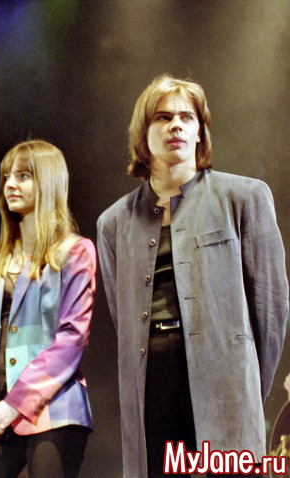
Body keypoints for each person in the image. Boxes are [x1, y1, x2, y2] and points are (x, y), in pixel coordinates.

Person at [97, 74, 288, 477]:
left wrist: (246, 387)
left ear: (200, 131)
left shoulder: (244, 197)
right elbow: (121, 316)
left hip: (225, 385)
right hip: (151, 387)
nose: (176, 126)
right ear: (143, 132)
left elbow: (271, 310)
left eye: (187, 117)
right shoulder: (113, 223)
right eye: (163, 117)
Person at [0, 140, 94, 478]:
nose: (10, 185)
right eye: (7, 177)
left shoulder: (75, 252)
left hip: (54, 410)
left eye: (23, 176)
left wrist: (15, 404)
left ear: (48, 182)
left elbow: (71, 339)